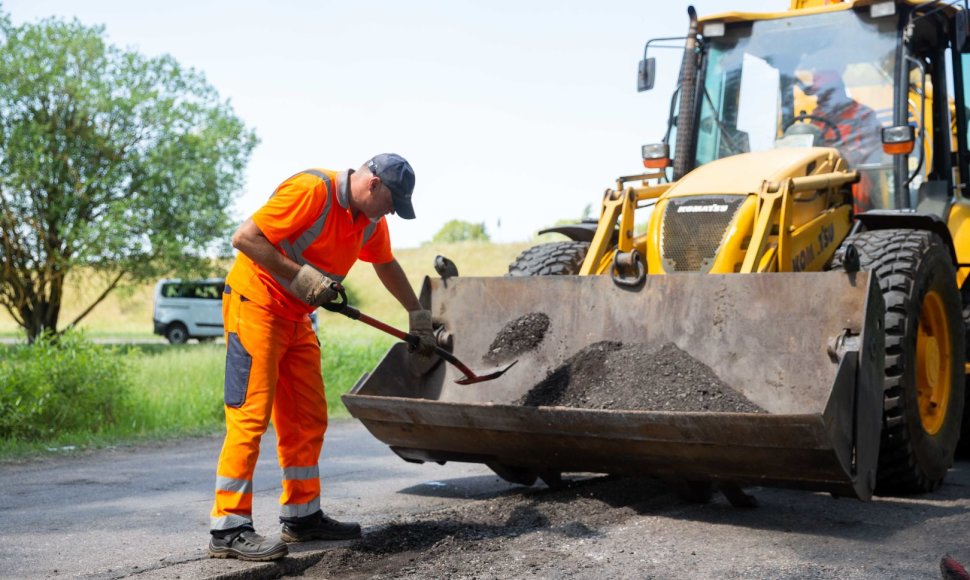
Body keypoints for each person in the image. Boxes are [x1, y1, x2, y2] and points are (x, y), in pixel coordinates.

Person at [207, 153, 437, 562]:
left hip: (297, 316)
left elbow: (386, 265)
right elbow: (244, 238)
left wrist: (417, 315)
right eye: (391, 204)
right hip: (256, 304)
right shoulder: (313, 191)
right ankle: (229, 526)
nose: (390, 215)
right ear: (373, 185)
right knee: (251, 415)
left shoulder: (369, 221)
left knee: (307, 418)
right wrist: (299, 275)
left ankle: (302, 517)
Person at [804, 69, 883, 211]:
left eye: (825, 93)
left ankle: (863, 221)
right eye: (818, 94)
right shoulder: (817, 117)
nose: (819, 98)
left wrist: (846, 156)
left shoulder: (864, 115)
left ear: (838, 91)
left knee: (859, 182)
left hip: (853, 172)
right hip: (821, 173)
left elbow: (873, 150)